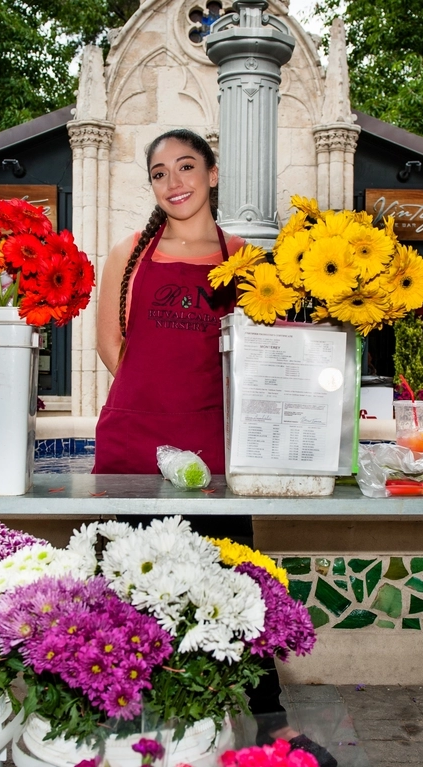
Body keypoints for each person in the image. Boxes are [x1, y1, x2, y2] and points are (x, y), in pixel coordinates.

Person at [92, 129, 336, 767]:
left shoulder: (249, 261)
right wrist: (152, 402)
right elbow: (111, 347)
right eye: (159, 172)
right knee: (130, 584)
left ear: (213, 173)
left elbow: (267, 354)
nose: (174, 182)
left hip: (219, 449)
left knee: (240, 583)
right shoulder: (128, 253)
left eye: (186, 166)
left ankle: (268, 731)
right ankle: (133, 730)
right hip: (133, 445)